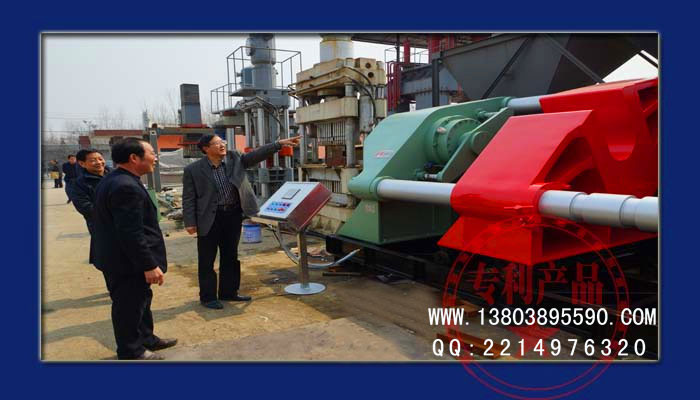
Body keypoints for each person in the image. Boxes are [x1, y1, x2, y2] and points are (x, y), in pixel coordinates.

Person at [183, 134, 300, 309]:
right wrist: (190, 222)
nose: (222, 145)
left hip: (232, 215)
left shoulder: (234, 158)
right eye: (217, 143)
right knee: (206, 259)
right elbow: (188, 197)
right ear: (206, 148)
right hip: (208, 218)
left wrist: (277, 144)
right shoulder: (193, 170)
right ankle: (208, 297)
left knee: (230, 256)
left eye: (222, 142)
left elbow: (256, 155)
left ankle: (229, 292)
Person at [93, 138, 177, 360]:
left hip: (120, 257)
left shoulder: (117, 179)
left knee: (141, 300)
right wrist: (148, 265)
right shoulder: (125, 186)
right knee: (128, 306)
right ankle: (132, 351)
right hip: (126, 262)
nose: (155, 158)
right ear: (134, 158)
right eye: (152, 153)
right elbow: (131, 232)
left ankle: (146, 338)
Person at [68, 149, 111, 264]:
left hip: (125, 224)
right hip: (101, 226)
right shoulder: (79, 184)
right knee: (110, 261)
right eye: (93, 160)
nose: (99, 162)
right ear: (82, 163)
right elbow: (85, 207)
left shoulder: (115, 175)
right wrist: (112, 214)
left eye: (100, 159)